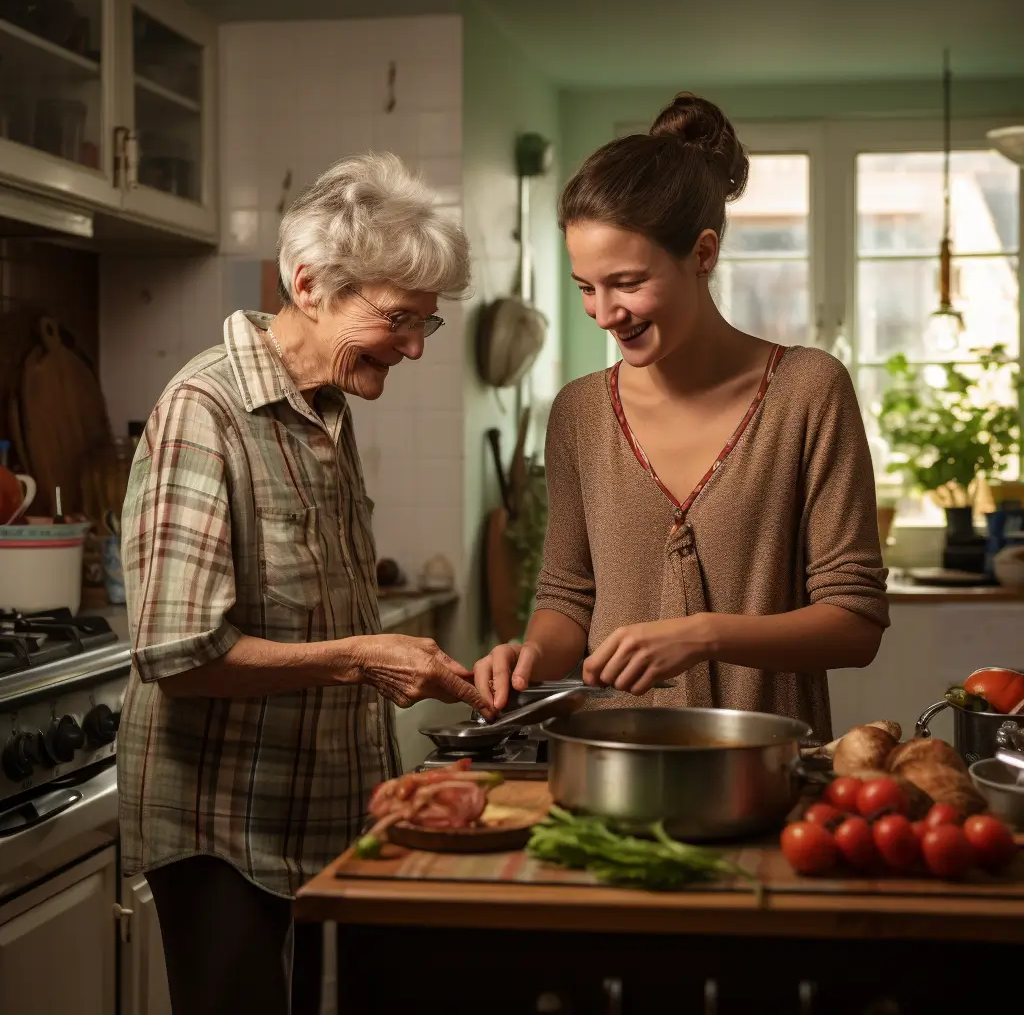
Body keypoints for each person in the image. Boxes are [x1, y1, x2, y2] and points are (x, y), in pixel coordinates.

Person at [117, 153, 493, 1015]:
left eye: (424, 323)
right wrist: (364, 657)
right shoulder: (203, 414)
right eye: (399, 318)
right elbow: (179, 653)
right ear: (310, 284)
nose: (413, 345)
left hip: (319, 814)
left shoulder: (324, 407)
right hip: (224, 830)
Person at [473, 93, 888, 742]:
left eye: (628, 282)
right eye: (586, 286)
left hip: (765, 772)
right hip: (610, 769)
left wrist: (704, 635)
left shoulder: (808, 392)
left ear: (702, 253)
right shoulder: (579, 413)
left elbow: (855, 624)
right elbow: (567, 598)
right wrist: (527, 659)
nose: (604, 312)